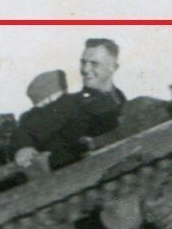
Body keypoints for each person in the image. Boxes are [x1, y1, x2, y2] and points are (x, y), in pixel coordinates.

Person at [15, 38, 127, 169]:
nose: (85, 69)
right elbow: (26, 130)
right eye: (83, 62)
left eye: (94, 64)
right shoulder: (71, 103)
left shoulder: (121, 100)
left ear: (113, 67)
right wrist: (23, 148)